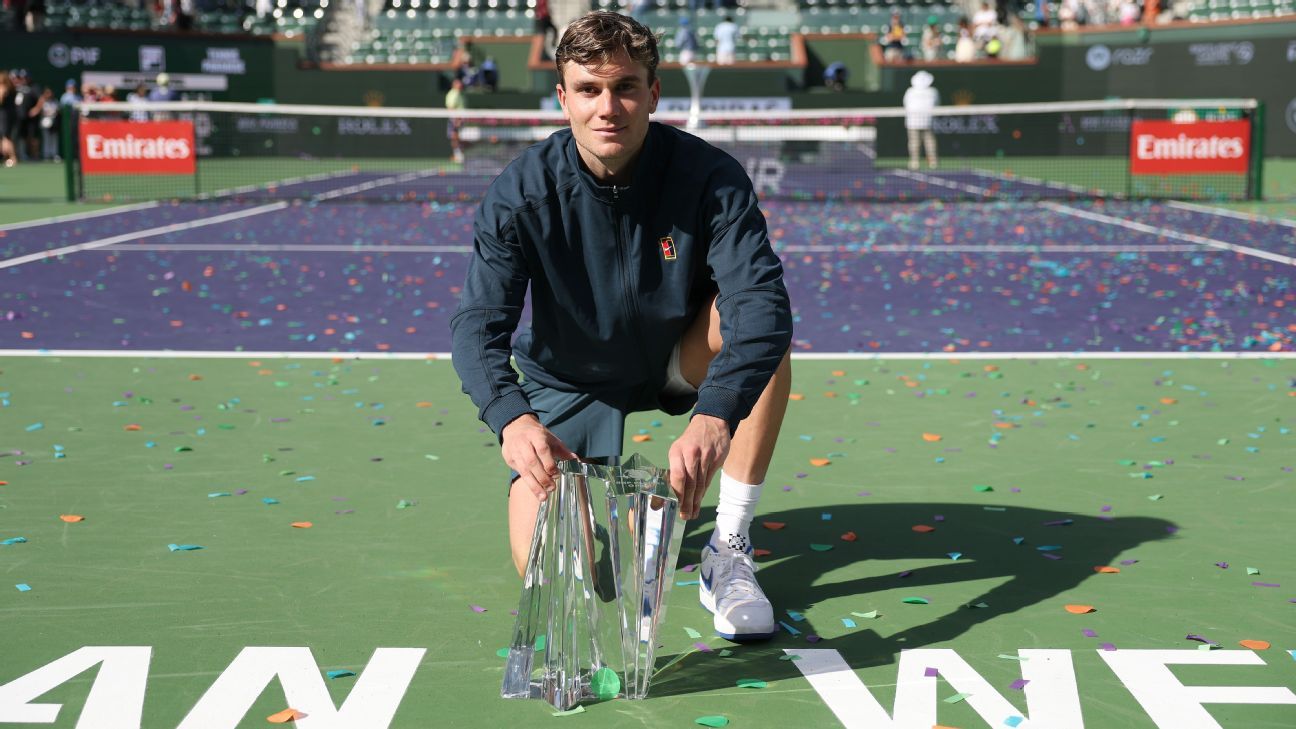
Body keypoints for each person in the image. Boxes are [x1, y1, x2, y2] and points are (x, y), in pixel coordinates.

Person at [450, 11, 792, 642]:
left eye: (626, 86)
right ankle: (585, 516)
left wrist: (716, 413)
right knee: (558, 574)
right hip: (568, 379)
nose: (608, 107)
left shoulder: (710, 179)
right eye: (589, 89)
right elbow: (477, 325)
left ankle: (729, 547)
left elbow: (761, 305)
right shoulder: (519, 193)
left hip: (673, 359)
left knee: (755, 337)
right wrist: (511, 416)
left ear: (653, 93)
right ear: (563, 97)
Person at [903, 70, 938, 170]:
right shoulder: (933, 91)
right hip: (920, 121)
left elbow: (905, 103)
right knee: (925, 141)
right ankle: (930, 162)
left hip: (918, 121)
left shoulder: (910, 91)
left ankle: (916, 162)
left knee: (921, 141)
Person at [444, 77, 466, 164]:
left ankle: (459, 155)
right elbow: (451, 108)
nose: (460, 85)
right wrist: (456, 120)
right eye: (458, 83)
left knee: (459, 138)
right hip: (456, 119)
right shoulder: (453, 94)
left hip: (461, 119)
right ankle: (458, 155)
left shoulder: (459, 93)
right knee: (454, 137)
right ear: (454, 85)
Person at [0, 71, 17, 167]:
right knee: (4, 137)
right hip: (7, 114)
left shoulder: (3, 88)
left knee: (6, 137)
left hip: (4, 115)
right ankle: (8, 158)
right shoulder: (11, 88)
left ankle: (12, 158)